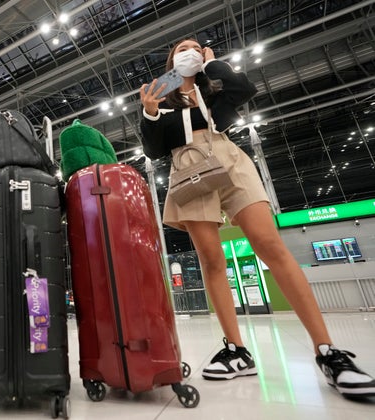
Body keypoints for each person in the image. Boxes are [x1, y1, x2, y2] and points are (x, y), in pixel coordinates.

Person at [139, 38, 375, 399]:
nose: (190, 50)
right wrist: (150, 113)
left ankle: (327, 351)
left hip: (229, 159)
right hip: (186, 168)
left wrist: (210, 64)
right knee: (211, 260)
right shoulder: (164, 100)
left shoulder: (214, 86)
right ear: (171, 60)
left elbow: (243, 88)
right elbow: (154, 150)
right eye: (182, 48)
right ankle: (236, 350)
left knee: (268, 244)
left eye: (196, 47)